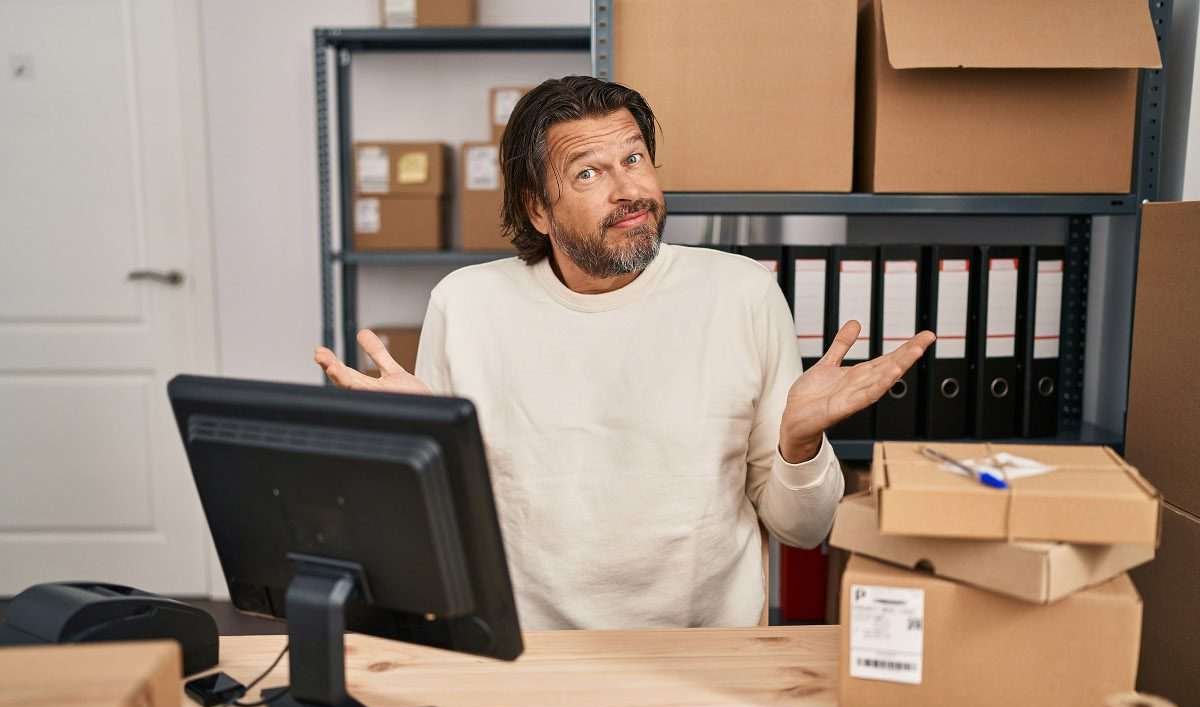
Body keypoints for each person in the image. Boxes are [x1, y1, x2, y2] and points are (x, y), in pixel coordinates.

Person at [315, 75, 934, 630]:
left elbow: (803, 530)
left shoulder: (741, 292)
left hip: (706, 660)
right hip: (526, 656)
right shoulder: (467, 305)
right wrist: (417, 453)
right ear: (538, 209)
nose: (628, 189)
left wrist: (799, 448)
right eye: (588, 172)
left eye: (634, 158)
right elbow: (445, 536)